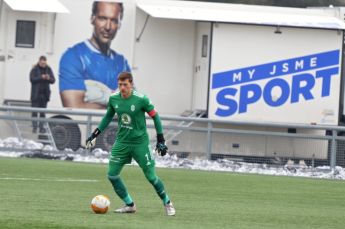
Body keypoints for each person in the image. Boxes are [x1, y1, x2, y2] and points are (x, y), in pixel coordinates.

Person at [86, 72, 176, 216]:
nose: (122, 88)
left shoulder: (142, 99)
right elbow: (108, 117)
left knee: (151, 177)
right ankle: (130, 205)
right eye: (120, 84)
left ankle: (167, 202)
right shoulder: (114, 98)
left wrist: (160, 140)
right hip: (122, 143)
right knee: (112, 175)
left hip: (140, 143)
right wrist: (94, 134)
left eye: (125, 85)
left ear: (131, 84)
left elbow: (155, 117)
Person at [59, 1, 130, 109]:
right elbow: (74, 108)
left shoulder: (122, 63)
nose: (108, 26)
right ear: (92, 19)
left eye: (114, 20)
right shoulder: (74, 57)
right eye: (102, 18)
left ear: (119, 24)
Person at [30, 56, 55, 133]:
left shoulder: (48, 69)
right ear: (39, 62)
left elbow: (53, 80)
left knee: (42, 113)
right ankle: (34, 127)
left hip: (45, 95)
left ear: (46, 62)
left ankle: (41, 128)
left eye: (44, 62)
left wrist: (48, 78)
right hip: (35, 95)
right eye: (42, 62)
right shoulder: (34, 69)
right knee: (34, 112)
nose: (43, 64)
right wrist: (41, 77)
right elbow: (31, 79)